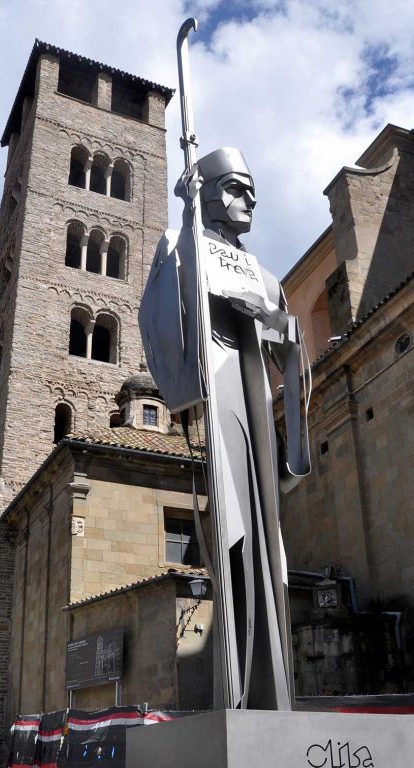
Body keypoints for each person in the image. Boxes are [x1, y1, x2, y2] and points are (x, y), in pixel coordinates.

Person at [139, 147, 310, 710]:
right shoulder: (181, 245)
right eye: (236, 188)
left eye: (253, 191)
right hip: (223, 401)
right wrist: (190, 235)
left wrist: (271, 321)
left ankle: (275, 688)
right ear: (206, 191)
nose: (249, 201)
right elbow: (162, 320)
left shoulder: (264, 274)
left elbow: (291, 345)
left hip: (259, 408)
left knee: (269, 546)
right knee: (234, 528)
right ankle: (239, 690)